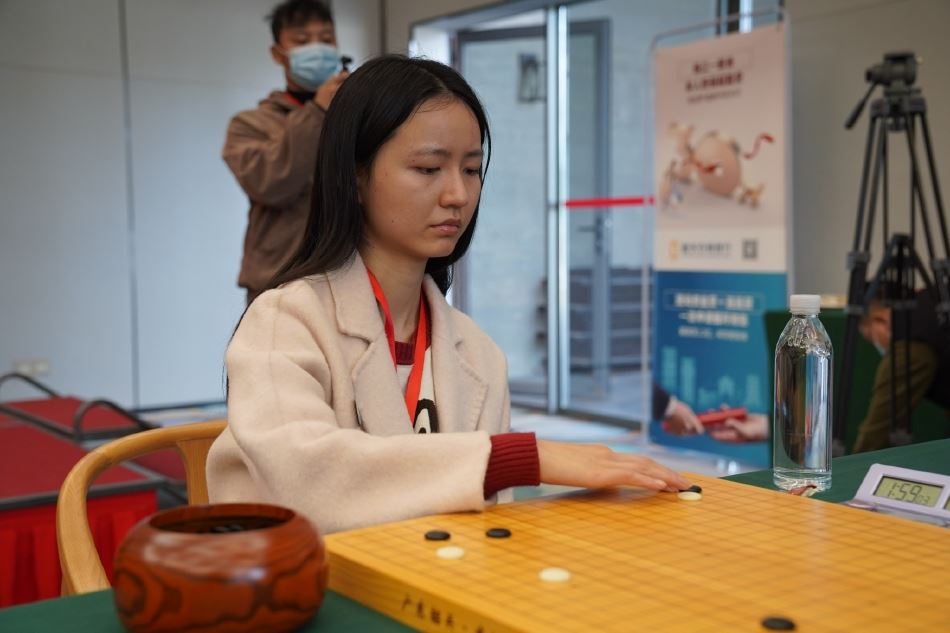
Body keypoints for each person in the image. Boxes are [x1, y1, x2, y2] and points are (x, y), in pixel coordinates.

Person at [207, 55, 690, 534]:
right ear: (354, 175)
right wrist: (519, 457)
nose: (457, 194)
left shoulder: (478, 353)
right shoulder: (285, 320)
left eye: (472, 169)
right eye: (427, 168)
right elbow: (304, 481)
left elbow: (485, 528)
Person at [223, 0, 349, 304]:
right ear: (277, 54)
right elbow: (271, 184)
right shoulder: (249, 125)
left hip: (350, 279)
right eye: (302, 41)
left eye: (326, 39)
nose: (317, 48)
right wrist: (318, 110)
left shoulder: (353, 119)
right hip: (278, 282)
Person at [853, 289, 950, 452]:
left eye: (871, 338)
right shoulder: (932, 302)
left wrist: (855, 464)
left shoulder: (910, 349)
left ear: (880, 319)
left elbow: (878, 431)